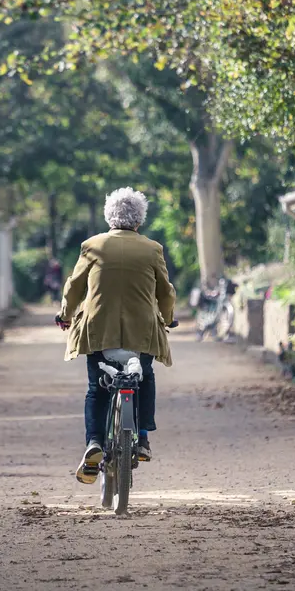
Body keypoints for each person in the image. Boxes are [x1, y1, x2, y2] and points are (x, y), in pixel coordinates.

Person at [55, 187, 176, 484]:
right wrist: (169, 318)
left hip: (100, 329)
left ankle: (94, 441)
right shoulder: (152, 249)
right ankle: (143, 436)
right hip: (142, 330)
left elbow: (74, 287)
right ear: (140, 219)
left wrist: (66, 315)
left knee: (96, 388)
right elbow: (165, 292)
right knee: (144, 376)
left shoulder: (92, 246)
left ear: (109, 216)